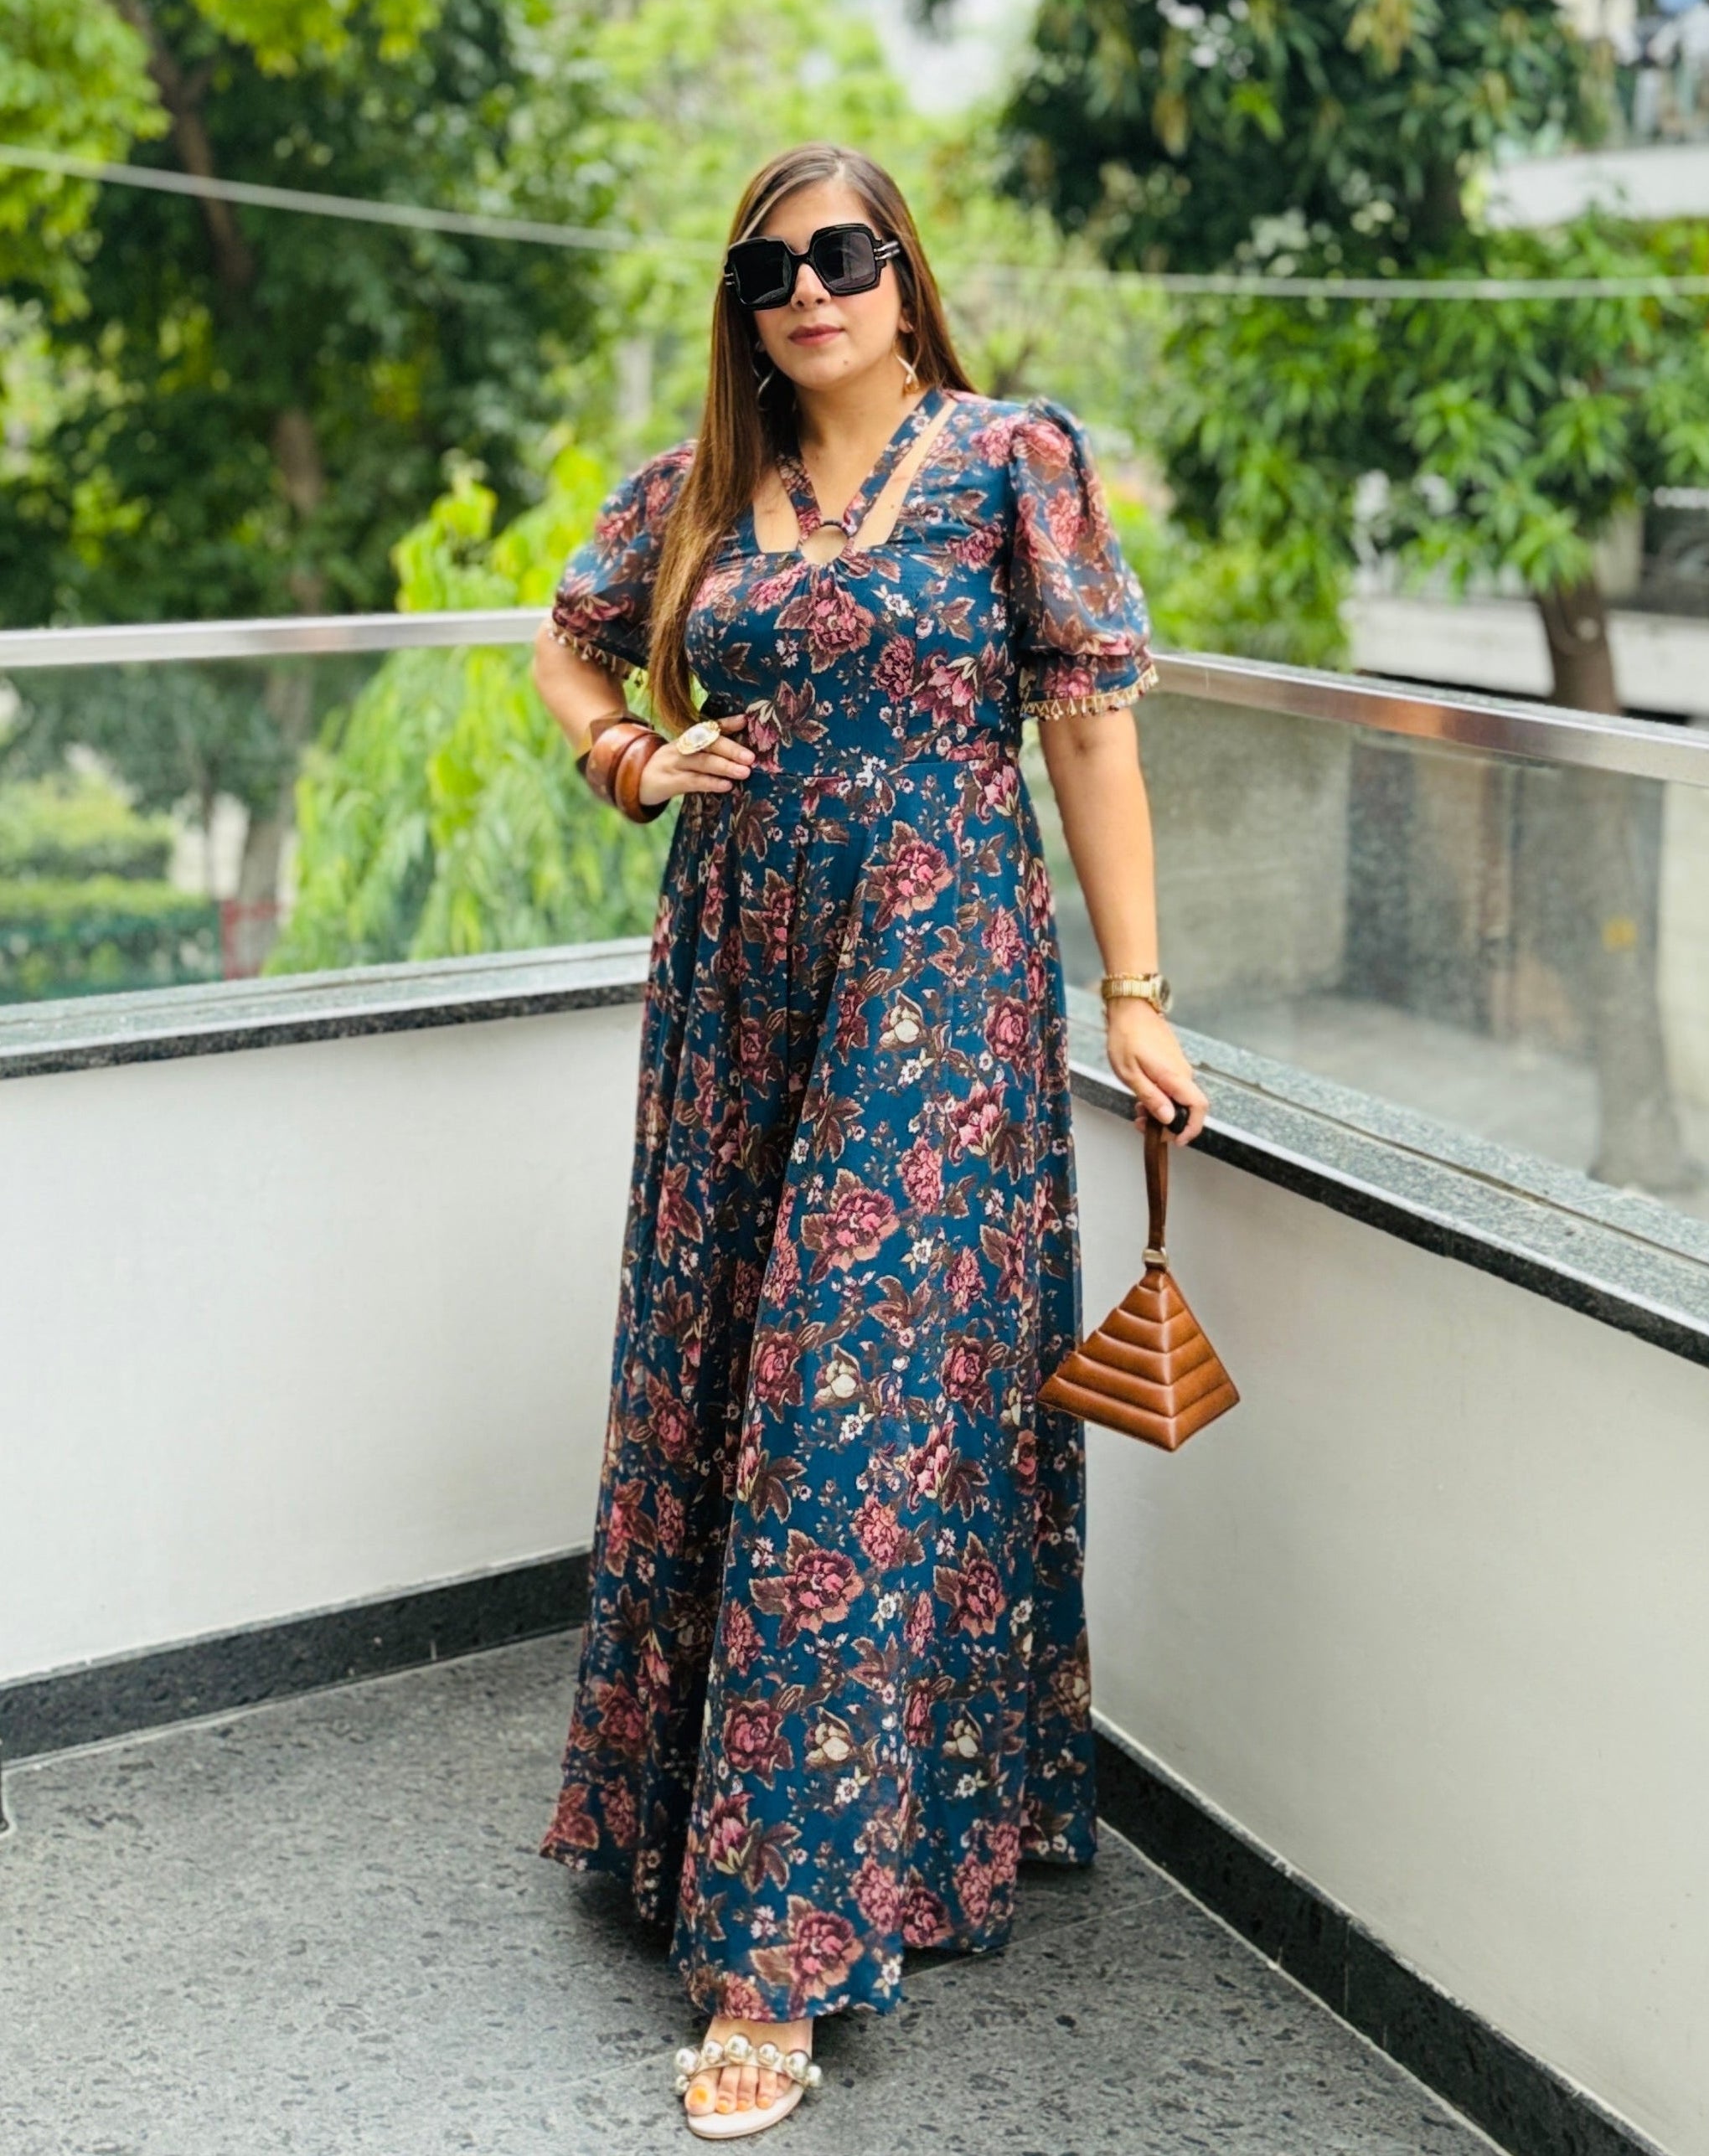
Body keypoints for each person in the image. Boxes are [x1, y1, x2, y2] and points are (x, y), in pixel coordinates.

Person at [529, 140, 1206, 2140]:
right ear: (741, 305)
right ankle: (721, 1839)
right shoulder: (693, 491)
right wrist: (631, 752)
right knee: (729, 1378)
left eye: (843, 255)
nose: (807, 289)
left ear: (902, 275)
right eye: (768, 267)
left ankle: (778, 1961)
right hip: (739, 981)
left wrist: (1138, 997)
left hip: (941, 979)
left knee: (849, 1405)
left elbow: (1088, 726)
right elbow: (563, 639)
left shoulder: (1013, 459)